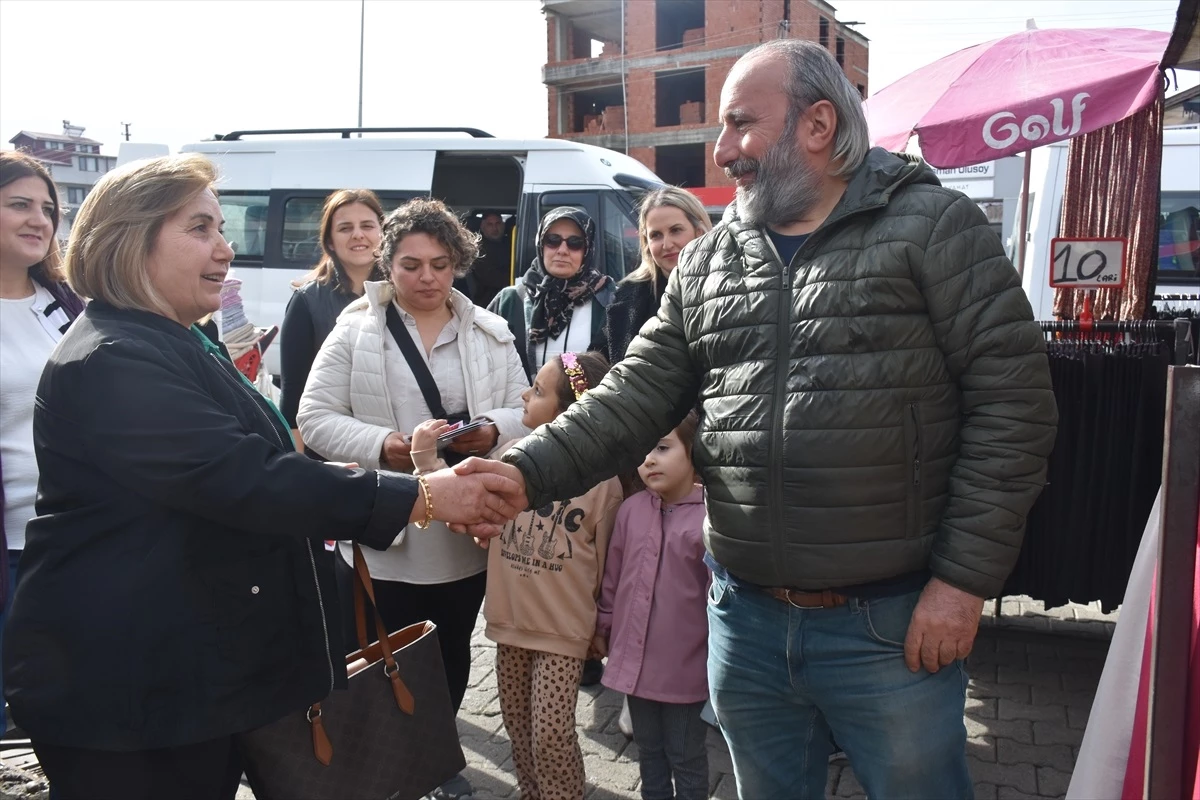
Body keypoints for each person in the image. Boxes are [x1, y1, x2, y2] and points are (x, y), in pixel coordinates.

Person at [471, 39, 1059, 799]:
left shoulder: (935, 228)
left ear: (817, 124)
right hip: (744, 620)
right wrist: (515, 475)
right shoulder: (714, 259)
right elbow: (630, 400)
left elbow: (1014, 408)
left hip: (890, 624)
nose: (722, 151)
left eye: (742, 125)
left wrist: (962, 584)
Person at [1, 154, 523, 800]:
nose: (226, 251)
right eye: (201, 229)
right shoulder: (112, 359)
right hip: (130, 699)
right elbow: (247, 478)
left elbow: (252, 463)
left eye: (222, 229)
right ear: (131, 240)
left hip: (185, 682)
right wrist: (418, 494)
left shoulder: (175, 338)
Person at [297, 197, 528, 800]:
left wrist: (493, 430)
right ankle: (385, 769)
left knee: (451, 651)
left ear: (458, 264)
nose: (426, 277)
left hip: (462, 532)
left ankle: (437, 763)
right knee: (381, 656)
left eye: (440, 263)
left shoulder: (489, 331)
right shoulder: (354, 328)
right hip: (386, 529)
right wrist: (387, 447)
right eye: (410, 264)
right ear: (387, 264)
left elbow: (526, 409)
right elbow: (315, 416)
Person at [481, 351, 622, 800]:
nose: (525, 394)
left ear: (571, 409)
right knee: (518, 729)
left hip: (563, 632)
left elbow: (609, 567)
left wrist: (603, 628)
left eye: (538, 391)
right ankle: (529, 793)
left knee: (551, 735)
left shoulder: (605, 485)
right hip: (511, 623)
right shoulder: (507, 457)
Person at [0, 151, 86, 736]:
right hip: (9, 550)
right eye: (19, 205)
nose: (39, 219)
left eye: (48, 209)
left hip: (77, 539)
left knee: (69, 712)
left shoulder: (68, 302)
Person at [592, 411, 709, 800]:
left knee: (685, 755)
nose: (649, 459)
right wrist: (604, 624)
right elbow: (613, 576)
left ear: (693, 451)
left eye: (662, 447)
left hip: (685, 669)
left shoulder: (709, 521)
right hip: (634, 663)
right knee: (648, 751)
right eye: (643, 451)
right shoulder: (631, 511)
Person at [279, 189, 386, 454]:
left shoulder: (403, 294)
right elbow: (294, 398)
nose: (358, 235)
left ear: (383, 234)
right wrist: (300, 468)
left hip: (392, 445)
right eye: (345, 228)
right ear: (329, 241)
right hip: (331, 452)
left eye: (367, 226)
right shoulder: (307, 302)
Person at [488, 207, 613, 381]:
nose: (562, 250)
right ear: (540, 244)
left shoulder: (608, 301)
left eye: (575, 242)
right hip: (517, 406)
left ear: (588, 249)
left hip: (585, 407)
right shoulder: (510, 300)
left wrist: (570, 401)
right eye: (552, 240)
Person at [603, 188, 711, 365]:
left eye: (676, 230)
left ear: (699, 232)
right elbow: (600, 359)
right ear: (646, 242)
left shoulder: (726, 286)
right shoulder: (627, 297)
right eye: (656, 235)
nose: (667, 245)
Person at [466, 210, 511, 308]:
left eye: (498, 223)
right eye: (490, 224)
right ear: (482, 227)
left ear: (503, 225)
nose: (495, 228)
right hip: (488, 300)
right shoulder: (479, 249)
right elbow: (492, 278)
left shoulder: (511, 243)